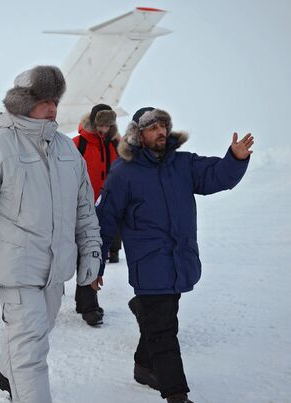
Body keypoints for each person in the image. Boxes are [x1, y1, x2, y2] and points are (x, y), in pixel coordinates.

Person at [0, 66, 102, 403]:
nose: (52, 108)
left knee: (35, 333)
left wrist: (91, 252)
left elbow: (84, 209)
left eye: (55, 101)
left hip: (55, 270)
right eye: (44, 100)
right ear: (23, 102)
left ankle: (7, 373)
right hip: (16, 269)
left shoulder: (66, 149)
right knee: (31, 347)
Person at [96, 107, 253, 403]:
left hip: (179, 261)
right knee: (165, 331)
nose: (161, 132)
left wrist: (235, 158)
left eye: (163, 126)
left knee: (162, 321)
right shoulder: (124, 172)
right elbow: (104, 221)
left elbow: (215, 176)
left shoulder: (183, 163)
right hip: (149, 265)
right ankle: (176, 394)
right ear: (137, 134)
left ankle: (144, 367)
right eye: (153, 127)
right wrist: (96, 265)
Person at [72, 103, 120, 326]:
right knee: (84, 255)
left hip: (107, 210)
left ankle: (87, 303)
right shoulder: (77, 144)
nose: (104, 129)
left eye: (108, 125)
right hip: (81, 210)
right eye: (101, 124)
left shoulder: (117, 145)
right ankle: (87, 302)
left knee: (93, 255)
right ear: (93, 122)